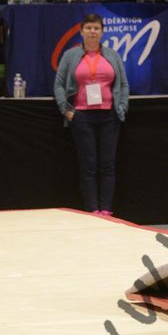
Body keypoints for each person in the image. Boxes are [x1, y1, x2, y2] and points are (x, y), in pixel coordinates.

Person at [53, 13, 129, 215]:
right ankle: (92, 210)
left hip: (109, 116)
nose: (92, 32)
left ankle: (106, 210)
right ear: (81, 32)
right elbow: (59, 84)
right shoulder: (70, 55)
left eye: (96, 28)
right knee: (89, 165)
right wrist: (66, 110)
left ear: (102, 32)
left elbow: (123, 83)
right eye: (88, 28)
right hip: (82, 117)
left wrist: (121, 107)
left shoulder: (112, 55)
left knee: (108, 165)